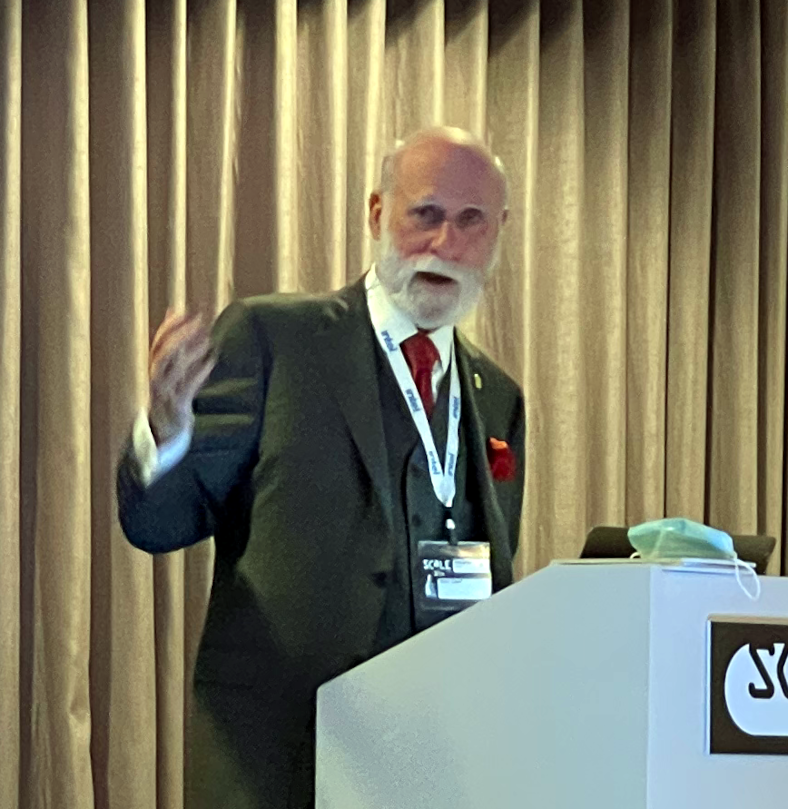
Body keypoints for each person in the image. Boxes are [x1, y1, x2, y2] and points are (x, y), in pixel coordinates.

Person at [116, 127, 526, 809]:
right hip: (281, 766)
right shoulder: (275, 339)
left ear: (498, 232)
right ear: (376, 213)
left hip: (433, 771)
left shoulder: (498, 396)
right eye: (424, 214)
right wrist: (166, 431)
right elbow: (156, 522)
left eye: (469, 220)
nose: (445, 244)